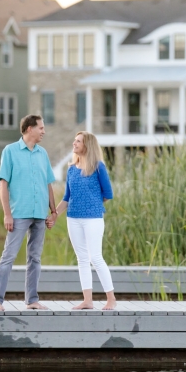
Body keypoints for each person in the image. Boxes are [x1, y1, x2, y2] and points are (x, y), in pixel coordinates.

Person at [0, 115, 57, 311]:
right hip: (19, 213)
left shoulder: (42, 153)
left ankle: (32, 300)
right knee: (8, 256)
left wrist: (53, 212)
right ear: (29, 129)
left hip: (39, 214)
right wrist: (7, 214)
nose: (44, 131)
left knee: (35, 258)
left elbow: (48, 184)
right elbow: (4, 185)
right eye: (41, 128)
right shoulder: (10, 151)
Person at [51, 132, 116, 310]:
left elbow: (108, 194)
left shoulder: (98, 167)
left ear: (87, 145)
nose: (74, 143)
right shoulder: (71, 169)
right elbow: (67, 197)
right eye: (75, 140)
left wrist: (92, 204)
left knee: (96, 257)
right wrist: (55, 214)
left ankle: (111, 299)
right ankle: (88, 300)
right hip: (73, 218)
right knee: (82, 259)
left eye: (78, 141)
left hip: (93, 219)